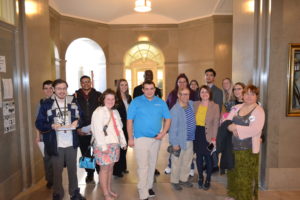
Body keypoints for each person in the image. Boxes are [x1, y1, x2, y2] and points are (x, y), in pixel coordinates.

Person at [35, 79, 85, 200]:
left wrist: (77, 122)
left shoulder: (73, 101)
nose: (62, 91)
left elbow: (82, 117)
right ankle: (58, 194)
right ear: (54, 90)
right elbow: (39, 123)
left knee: (72, 170)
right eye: (59, 89)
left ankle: (74, 193)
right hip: (55, 143)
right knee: (57, 171)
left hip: (71, 142)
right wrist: (51, 126)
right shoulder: (47, 104)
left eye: (64, 88)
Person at [127, 81, 171, 200]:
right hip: (140, 138)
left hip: (156, 139)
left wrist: (163, 133)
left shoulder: (160, 102)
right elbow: (129, 121)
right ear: (142, 90)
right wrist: (130, 138)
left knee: (152, 164)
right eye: (146, 89)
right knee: (143, 166)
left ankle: (149, 186)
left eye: (151, 88)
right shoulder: (136, 102)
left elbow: (168, 119)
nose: (149, 91)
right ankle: (143, 192)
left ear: (155, 89)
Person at [225, 85, 265, 200]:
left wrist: (236, 128)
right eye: (247, 93)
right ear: (243, 95)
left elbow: (255, 129)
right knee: (233, 173)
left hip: (247, 150)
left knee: (244, 177)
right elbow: (226, 121)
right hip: (232, 147)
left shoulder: (259, 111)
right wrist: (229, 127)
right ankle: (233, 195)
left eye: (252, 94)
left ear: (257, 96)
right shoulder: (237, 107)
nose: (249, 96)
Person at [91, 89, 127, 200]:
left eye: (112, 99)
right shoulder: (99, 111)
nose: (110, 101)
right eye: (108, 99)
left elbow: (119, 129)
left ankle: (109, 190)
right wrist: (103, 146)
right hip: (104, 145)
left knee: (110, 168)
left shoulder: (115, 112)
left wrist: (123, 142)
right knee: (104, 169)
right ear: (103, 100)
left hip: (114, 144)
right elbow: (97, 130)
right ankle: (106, 194)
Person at [165, 74, 197, 175]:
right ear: (177, 83)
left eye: (184, 81)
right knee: (175, 147)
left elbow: (196, 107)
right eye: (180, 82)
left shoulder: (193, 94)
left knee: (188, 150)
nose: (182, 83)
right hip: (175, 126)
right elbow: (167, 108)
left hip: (188, 129)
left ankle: (190, 167)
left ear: (187, 83)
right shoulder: (172, 94)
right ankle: (170, 165)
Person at [132, 70, 162, 176]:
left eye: (151, 75)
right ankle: (144, 173)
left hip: (154, 128)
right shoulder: (136, 90)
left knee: (153, 154)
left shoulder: (158, 90)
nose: (149, 76)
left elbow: (159, 106)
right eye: (147, 75)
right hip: (141, 127)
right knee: (143, 156)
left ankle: (152, 168)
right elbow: (134, 107)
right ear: (144, 76)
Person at [74, 75, 102, 183]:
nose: (86, 84)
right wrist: (77, 128)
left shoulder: (98, 95)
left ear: (91, 82)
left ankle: (100, 172)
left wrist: (97, 128)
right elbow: (72, 114)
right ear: (81, 84)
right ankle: (89, 174)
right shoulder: (75, 96)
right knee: (85, 152)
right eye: (83, 82)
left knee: (98, 151)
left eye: (87, 81)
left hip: (96, 129)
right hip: (82, 130)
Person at [169, 88, 196, 191]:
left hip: (190, 139)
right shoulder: (175, 110)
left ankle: (184, 179)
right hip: (179, 141)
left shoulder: (191, 105)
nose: (185, 96)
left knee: (187, 161)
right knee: (176, 162)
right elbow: (172, 129)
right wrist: (174, 143)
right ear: (178, 95)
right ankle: (175, 181)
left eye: (187, 94)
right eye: (183, 94)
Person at [193, 85, 220, 190]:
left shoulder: (215, 106)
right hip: (197, 134)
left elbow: (216, 123)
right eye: (202, 92)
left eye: (206, 92)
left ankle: (208, 178)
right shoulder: (195, 104)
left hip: (208, 135)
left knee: (208, 158)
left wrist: (214, 139)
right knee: (199, 157)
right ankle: (200, 176)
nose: (204, 94)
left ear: (210, 94)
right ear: (199, 94)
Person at [35, 80, 54, 189]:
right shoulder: (41, 103)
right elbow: (37, 121)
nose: (48, 91)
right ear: (43, 90)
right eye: (46, 88)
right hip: (45, 136)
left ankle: (57, 180)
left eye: (50, 88)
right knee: (47, 159)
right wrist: (38, 136)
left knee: (57, 159)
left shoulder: (58, 101)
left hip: (58, 136)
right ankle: (50, 180)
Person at [113, 79, 132, 177]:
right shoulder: (115, 98)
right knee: (119, 148)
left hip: (128, 125)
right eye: (122, 85)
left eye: (126, 85)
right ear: (118, 86)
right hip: (119, 126)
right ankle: (117, 170)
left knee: (125, 147)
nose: (124, 87)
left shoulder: (129, 97)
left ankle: (123, 167)